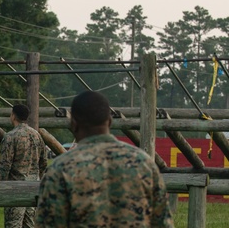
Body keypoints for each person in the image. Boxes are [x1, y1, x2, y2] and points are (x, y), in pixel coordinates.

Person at [35, 91, 174, 228]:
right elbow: (163, 222)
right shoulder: (144, 163)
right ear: (110, 121)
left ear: (73, 124)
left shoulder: (61, 169)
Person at [0, 105, 47, 228]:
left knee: (13, 224)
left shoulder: (10, 136)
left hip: (15, 188)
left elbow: (5, 164)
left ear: (13, 116)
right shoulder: (36, 135)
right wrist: (38, 178)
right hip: (33, 188)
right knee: (29, 224)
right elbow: (43, 161)